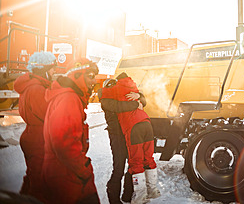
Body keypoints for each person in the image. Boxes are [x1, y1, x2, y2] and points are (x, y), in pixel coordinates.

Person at [42, 58, 100, 204]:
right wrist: (84, 168)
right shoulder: (69, 99)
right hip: (67, 174)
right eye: (90, 76)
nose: (94, 81)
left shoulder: (69, 97)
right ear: (77, 75)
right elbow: (64, 143)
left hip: (65, 172)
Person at [100, 72, 160, 204]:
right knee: (119, 168)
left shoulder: (118, 95)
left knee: (133, 165)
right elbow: (119, 107)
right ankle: (113, 199)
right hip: (117, 137)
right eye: (110, 86)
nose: (113, 88)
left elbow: (143, 101)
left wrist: (138, 96)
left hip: (130, 134)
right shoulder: (106, 100)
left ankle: (127, 195)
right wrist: (135, 103)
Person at [13, 51, 57, 203]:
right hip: (39, 138)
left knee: (33, 177)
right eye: (52, 68)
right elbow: (48, 115)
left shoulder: (32, 86)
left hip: (32, 135)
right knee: (40, 184)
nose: (54, 72)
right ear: (43, 69)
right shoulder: (37, 89)